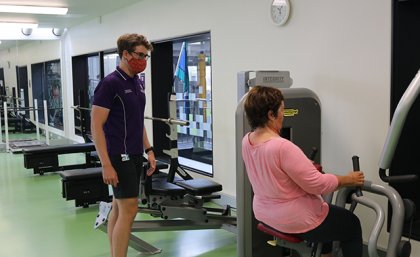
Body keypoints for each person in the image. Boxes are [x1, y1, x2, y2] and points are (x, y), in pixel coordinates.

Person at [241, 86, 365, 257]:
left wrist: (303, 167)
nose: (283, 116)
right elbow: (318, 185)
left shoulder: (247, 141)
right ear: (271, 115)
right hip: (294, 219)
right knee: (351, 224)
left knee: (328, 213)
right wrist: (348, 179)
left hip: (264, 213)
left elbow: (274, 173)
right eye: (282, 111)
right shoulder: (282, 146)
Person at [91, 33, 157, 257]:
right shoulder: (109, 84)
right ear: (125, 54)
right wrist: (106, 164)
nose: (143, 60)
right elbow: (96, 127)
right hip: (120, 156)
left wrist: (149, 150)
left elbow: (138, 121)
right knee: (129, 209)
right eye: (139, 55)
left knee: (119, 208)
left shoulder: (136, 82)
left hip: (136, 153)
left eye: (145, 55)